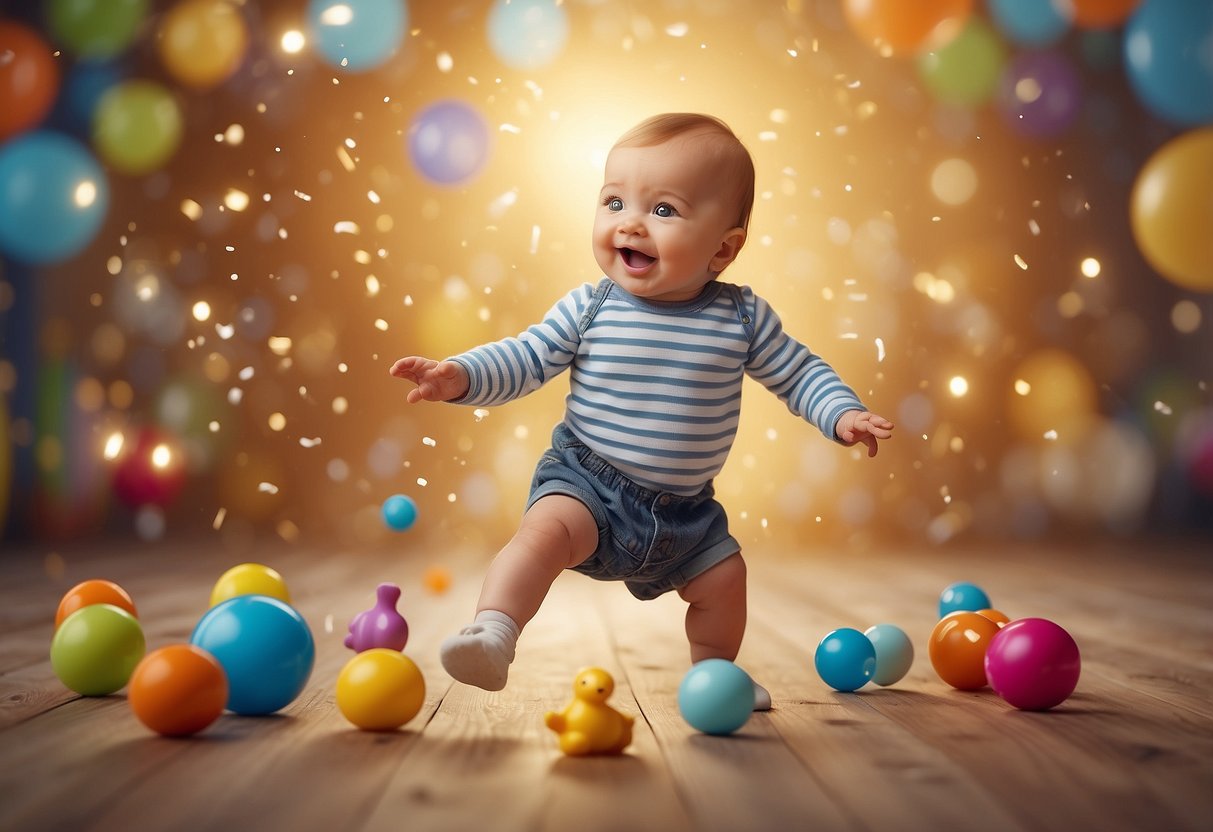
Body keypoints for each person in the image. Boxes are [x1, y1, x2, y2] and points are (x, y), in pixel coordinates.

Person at [390, 113, 894, 710]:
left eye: (663, 210)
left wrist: (841, 414)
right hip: (586, 482)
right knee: (541, 538)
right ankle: (493, 634)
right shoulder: (591, 307)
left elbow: (800, 372)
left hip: (685, 514)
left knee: (725, 581)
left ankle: (714, 674)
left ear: (724, 249)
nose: (629, 222)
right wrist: (463, 376)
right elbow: (524, 357)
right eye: (613, 201)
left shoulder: (741, 318)